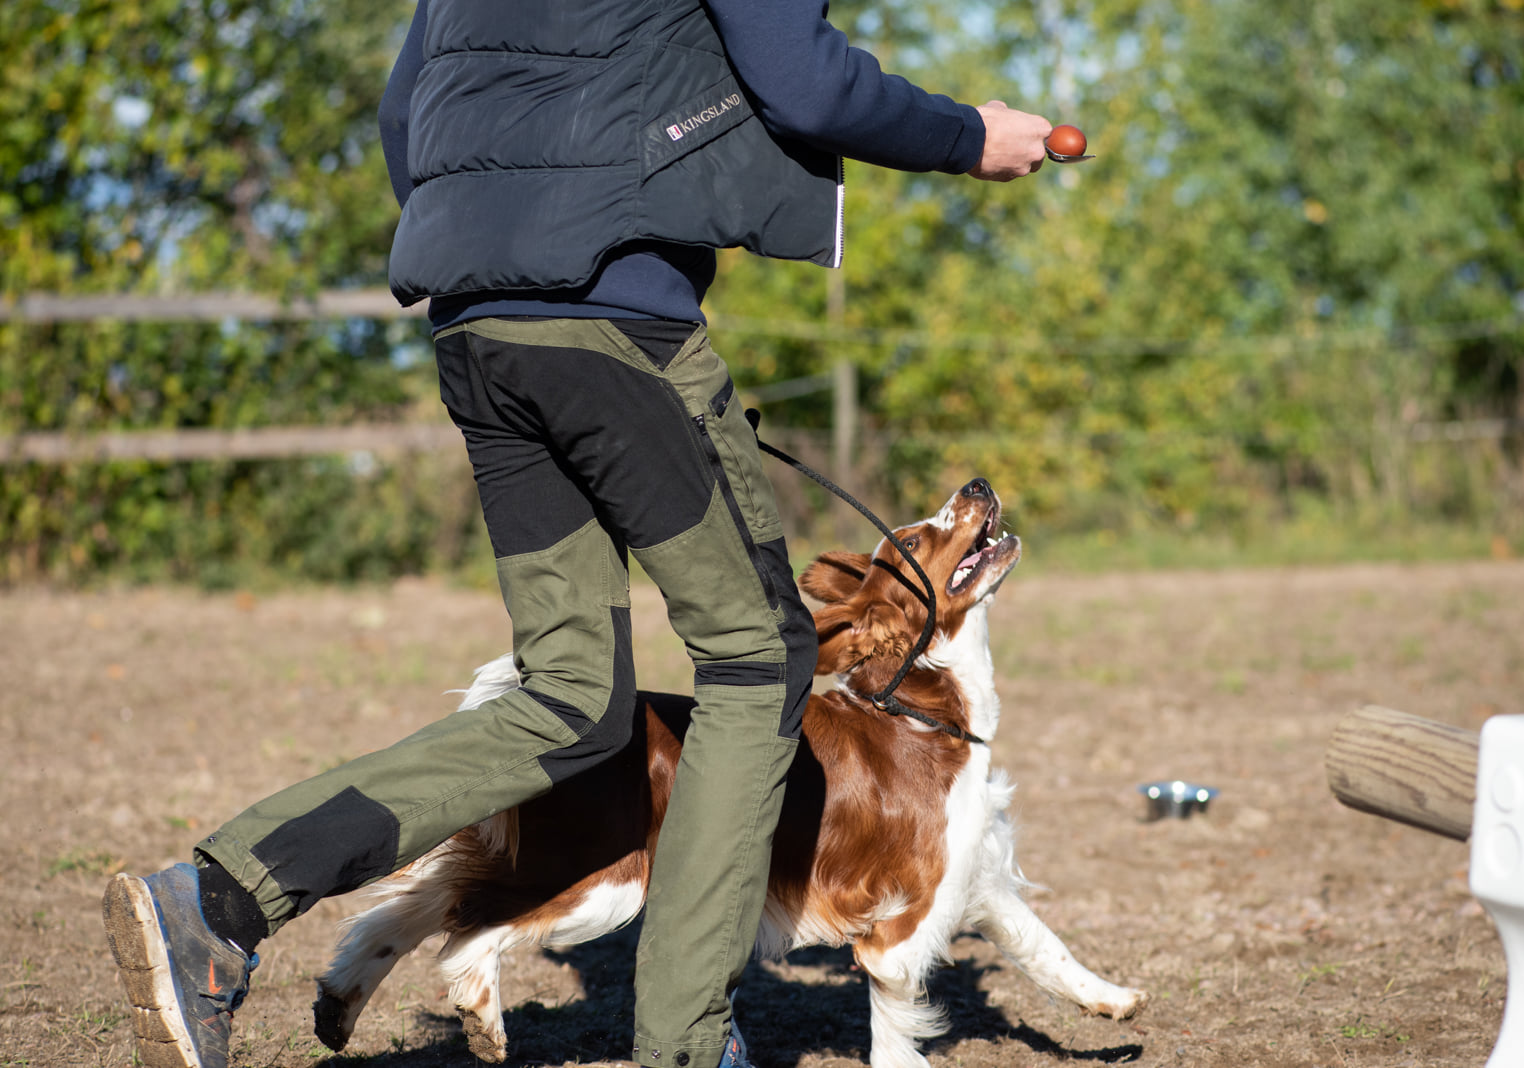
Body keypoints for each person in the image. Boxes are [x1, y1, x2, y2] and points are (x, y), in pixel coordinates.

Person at [100, 2, 1055, 1066]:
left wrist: (505, 237)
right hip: (615, 315)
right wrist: (970, 136)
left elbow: (402, 114)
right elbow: (808, 83)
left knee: (567, 694)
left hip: (476, 319)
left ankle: (218, 900)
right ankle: (687, 1048)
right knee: (756, 658)